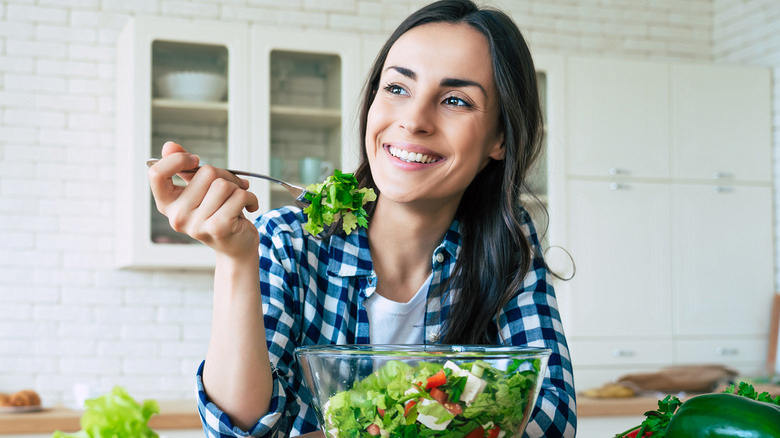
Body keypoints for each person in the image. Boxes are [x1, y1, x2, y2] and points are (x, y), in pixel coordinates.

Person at [147, 0, 576, 436]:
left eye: (454, 100)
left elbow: (551, 419)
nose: (413, 120)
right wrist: (235, 258)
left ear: (499, 138)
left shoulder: (507, 241)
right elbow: (240, 430)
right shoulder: (289, 241)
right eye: (397, 89)